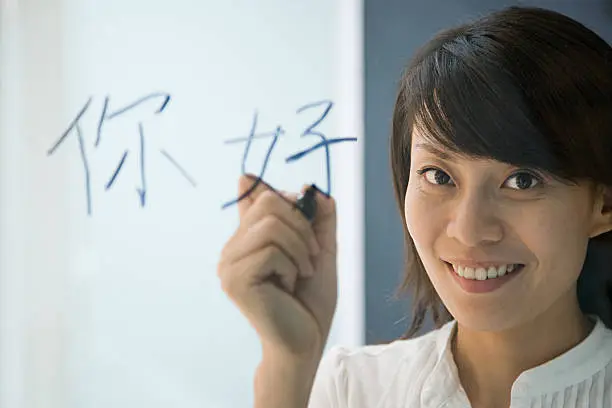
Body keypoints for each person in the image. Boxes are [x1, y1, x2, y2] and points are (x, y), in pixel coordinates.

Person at [217, 6, 612, 408]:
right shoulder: (351, 388)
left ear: (604, 203)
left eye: (522, 181)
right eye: (438, 176)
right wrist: (288, 363)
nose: (468, 230)